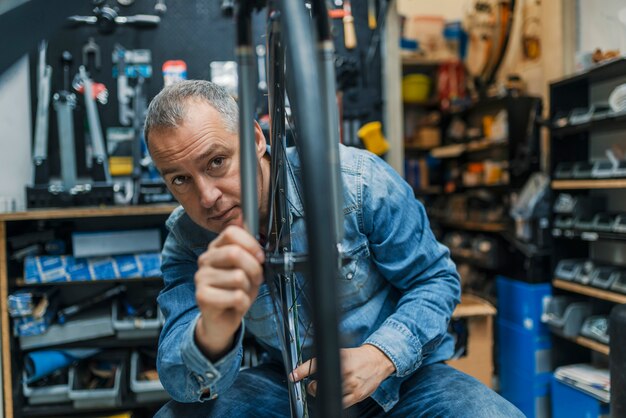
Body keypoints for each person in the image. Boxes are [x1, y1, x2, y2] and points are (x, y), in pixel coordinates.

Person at [146, 80, 523, 417]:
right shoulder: (188, 241)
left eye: (216, 162)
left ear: (256, 139)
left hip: (404, 381)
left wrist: (381, 355)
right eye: (180, 179)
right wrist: (212, 331)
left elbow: (436, 281)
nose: (207, 197)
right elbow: (182, 383)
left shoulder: (357, 183)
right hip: (288, 383)